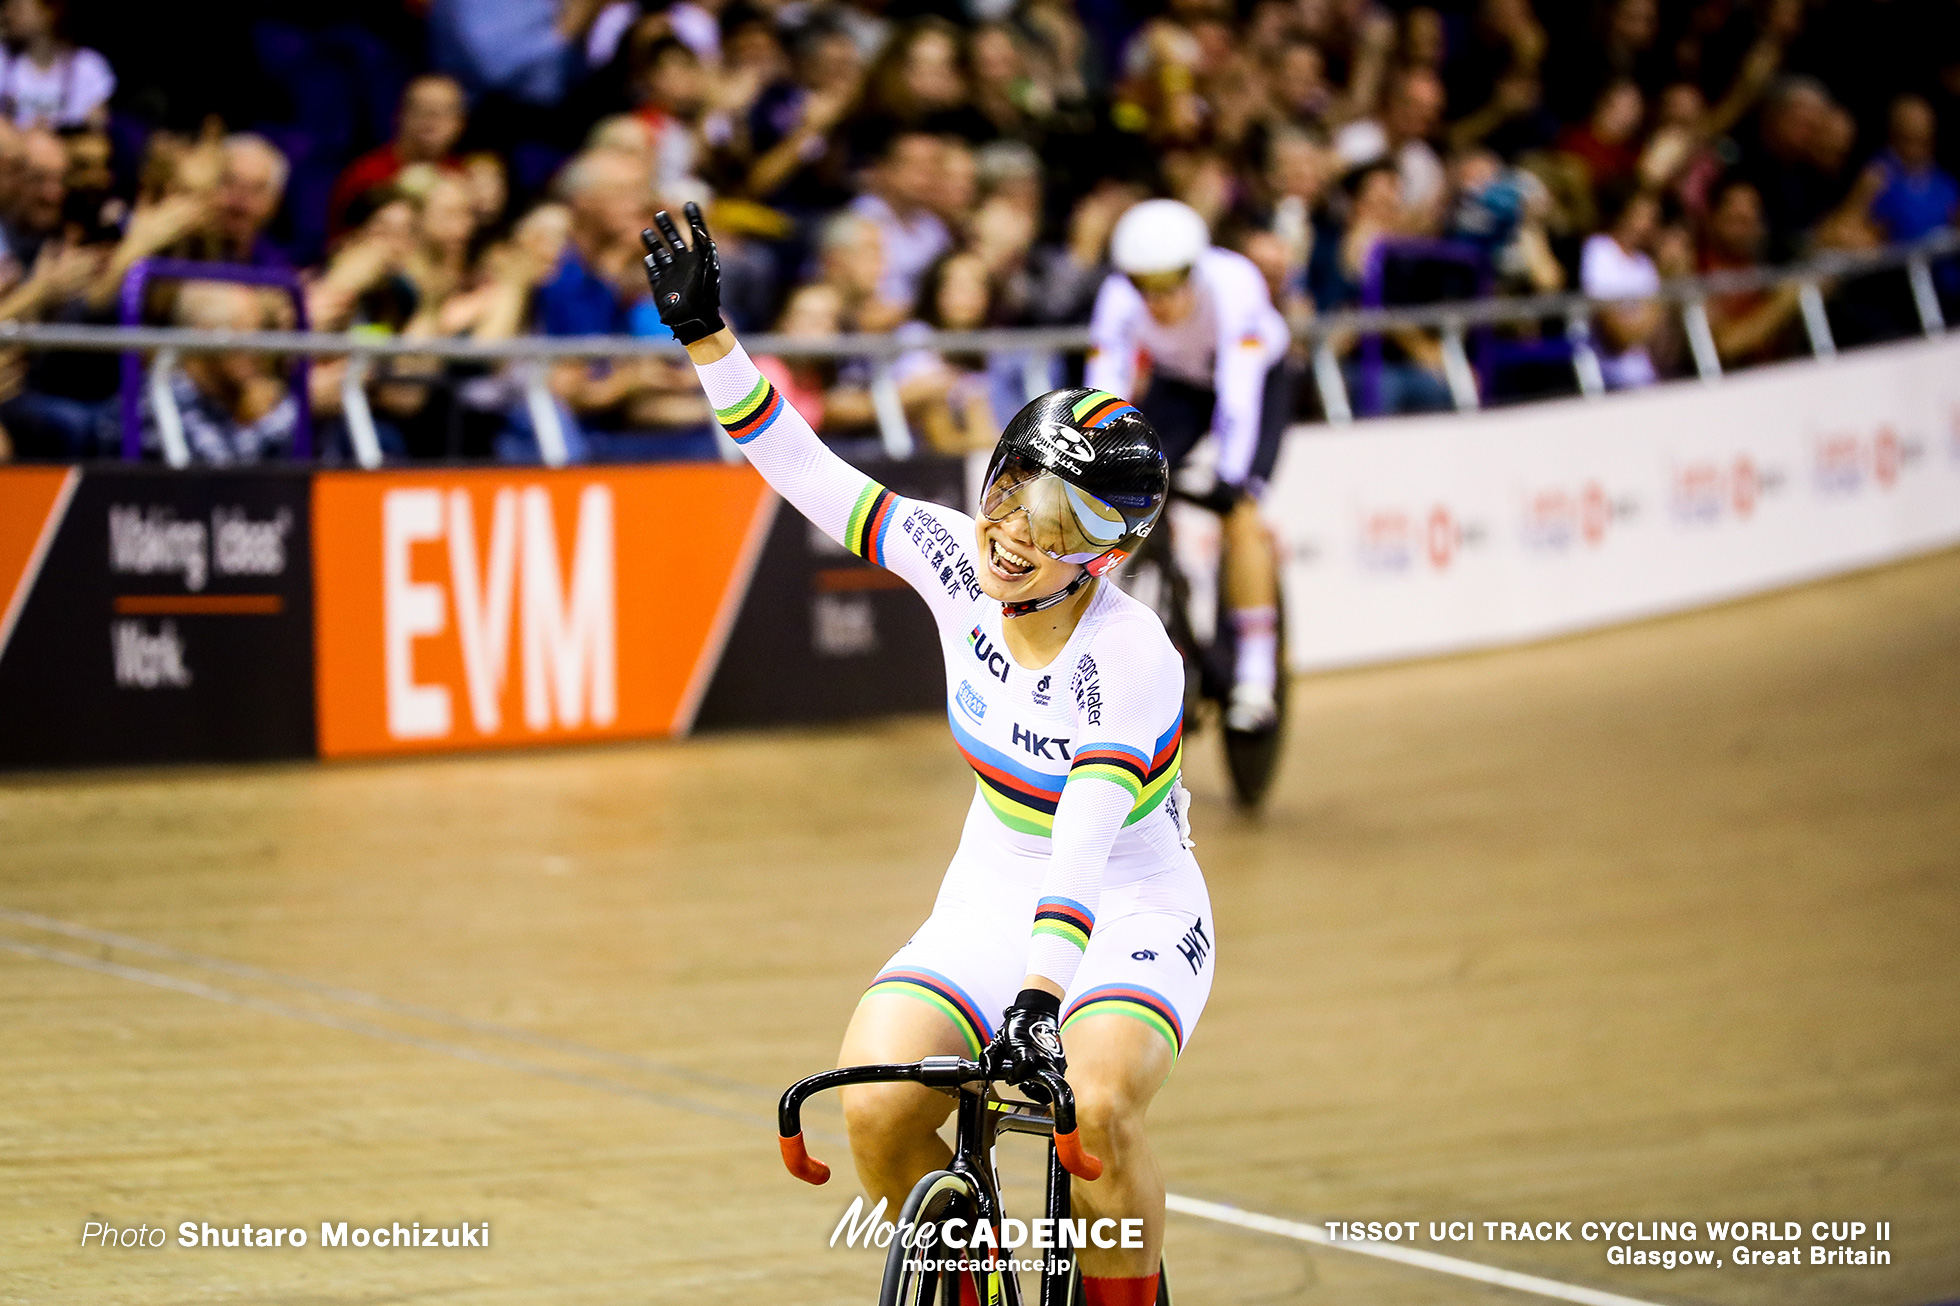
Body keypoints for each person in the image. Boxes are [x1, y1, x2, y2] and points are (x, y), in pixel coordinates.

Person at [644, 202, 1208, 1306]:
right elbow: (802, 469)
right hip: (993, 894)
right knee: (875, 1102)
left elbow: (1086, 842)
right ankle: (974, 1288)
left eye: (1055, 525)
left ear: (1103, 555)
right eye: (1007, 495)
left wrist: (1044, 993)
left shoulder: (1132, 659)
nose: (1011, 534)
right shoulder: (953, 557)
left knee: (1092, 1105)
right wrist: (710, 337)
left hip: (1126, 912)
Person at [1087, 198, 1290, 733]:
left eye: (1170, 285)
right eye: (1143, 286)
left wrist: (1229, 475)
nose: (1157, 301)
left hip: (1256, 379)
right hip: (1181, 384)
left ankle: (1255, 675)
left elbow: (1238, 394)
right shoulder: (1116, 298)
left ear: (1195, 271)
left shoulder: (1234, 283)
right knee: (1126, 486)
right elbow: (1108, 383)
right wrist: (1099, 462)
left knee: (1242, 508)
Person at [328, 75, 469, 239]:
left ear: (460, 122)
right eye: (420, 108)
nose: (431, 118)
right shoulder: (365, 176)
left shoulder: (463, 177)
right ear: (399, 115)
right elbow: (340, 246)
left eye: (444, 110)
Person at [1580, 187, 1663, 389]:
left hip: (1647, 378)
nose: (1650, 225)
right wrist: (1657, 307)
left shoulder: (1646, 264)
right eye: (1642, 216)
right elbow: (1617, 334)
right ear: (1622, 214)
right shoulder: (1599, 249)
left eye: (1653, 218)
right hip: (1611, 381)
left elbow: (1662, 344)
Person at [0, 0, 113, 130]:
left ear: (49, 12)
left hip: (66, 146)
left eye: (17, 8)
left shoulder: (87, 66)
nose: (7, 15)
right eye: (5, 7)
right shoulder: (3, 60)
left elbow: (98, 140)